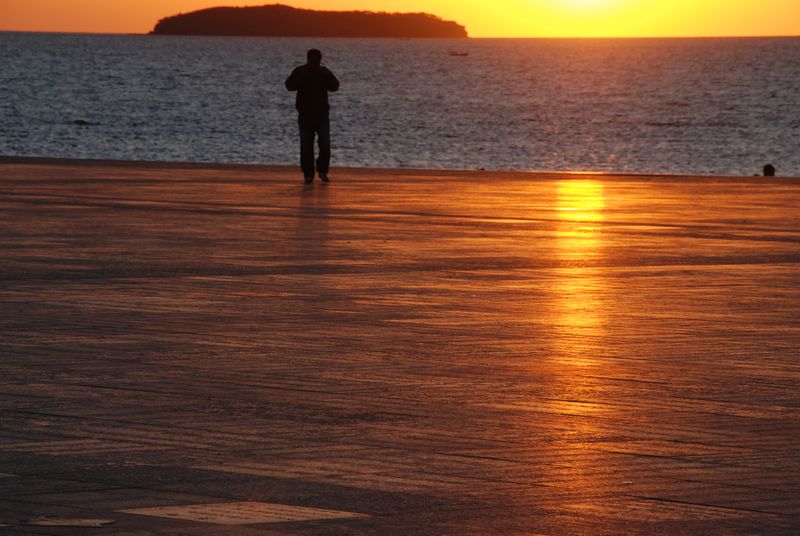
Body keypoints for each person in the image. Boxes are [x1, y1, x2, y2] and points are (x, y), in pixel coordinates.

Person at [285, 49, 340, 184]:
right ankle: (308, 174)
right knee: (306, 146)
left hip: (321, 115)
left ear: (320, 60)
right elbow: (289, 85)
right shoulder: (300, 71)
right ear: (308, 60)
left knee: (325, 144)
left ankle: (322, 171)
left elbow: (335, 86)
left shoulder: (324, 72)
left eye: (317, 60)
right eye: (313, 60)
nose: (315, 63)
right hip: (305, 115)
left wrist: (326, 75)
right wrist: (301, 77)